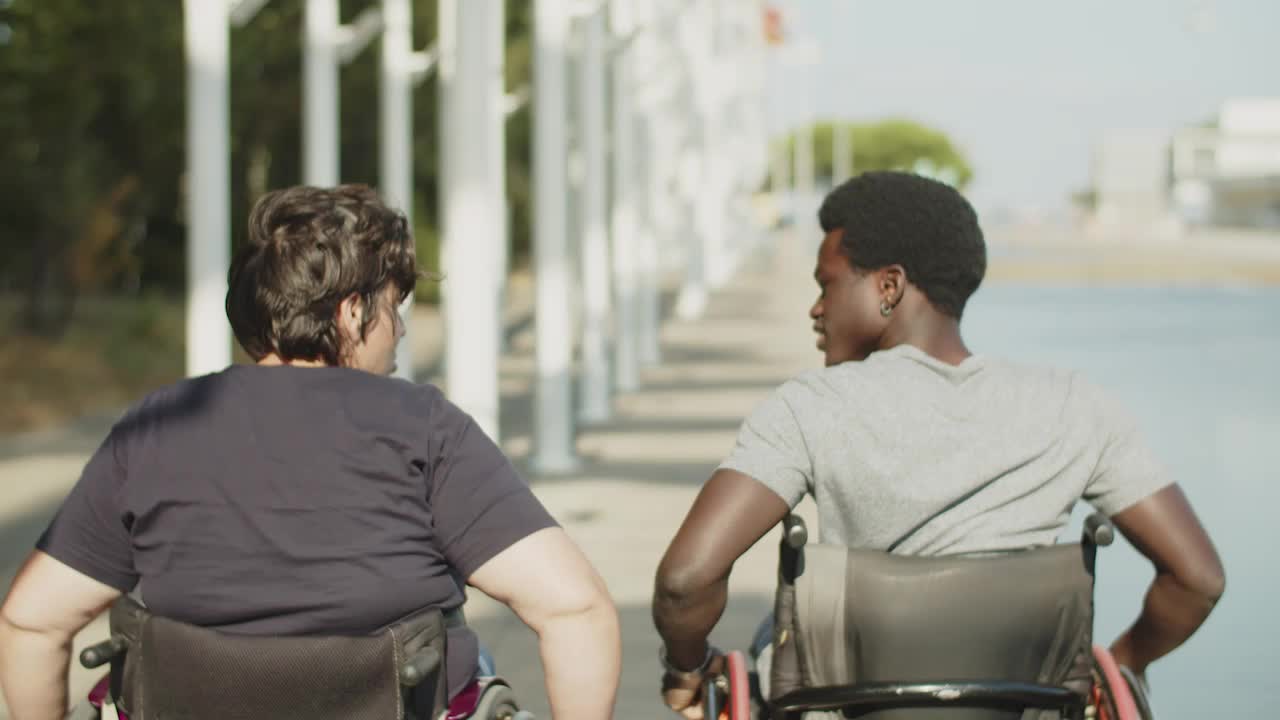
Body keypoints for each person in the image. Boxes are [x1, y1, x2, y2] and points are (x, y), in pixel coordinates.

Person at [0, 185, 621, 720]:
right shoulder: (424, 425)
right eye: (394, 310)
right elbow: (574, 608)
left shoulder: (154, 427)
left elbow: (31, 621)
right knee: (470, 655)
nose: (400, 331)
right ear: (353, 313)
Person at [652, 172, 1225, 718]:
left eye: (826, 284)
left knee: (768, 641)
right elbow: (1197, 579)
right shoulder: (1079, 407)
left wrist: (686, 670)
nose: (816, 308)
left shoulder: (810, 407)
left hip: (843, 706)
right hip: (1027, 707)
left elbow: (686, 581)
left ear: (889, 287)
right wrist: (1123, 663)